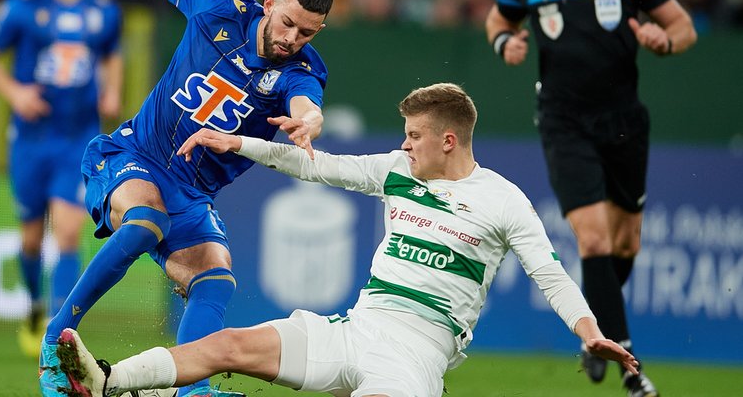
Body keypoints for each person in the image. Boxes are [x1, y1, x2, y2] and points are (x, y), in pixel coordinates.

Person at [49, 82, 639, 397]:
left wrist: (590, 334)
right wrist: (239, 143)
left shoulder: (504, 200)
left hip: (418, 352)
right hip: (356, 328)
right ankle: (107, 383)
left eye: (413, 136)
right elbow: (316, 166)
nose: (404, 145)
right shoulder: (398, 172)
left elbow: (550, 274)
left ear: (449, 141)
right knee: (227, 344)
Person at [41, 0, 333, 397]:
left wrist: (310, 123)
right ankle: (53, 342)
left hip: (193, 194)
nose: (292, 39)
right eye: (287, 23)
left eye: (306, 33)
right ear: (269, 4)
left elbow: (307, 105)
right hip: (135, 155)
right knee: (145, 222)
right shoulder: (219, 9)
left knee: (215, 280)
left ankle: (191, 391)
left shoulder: (301, 71)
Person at [483, 0, 697, 396]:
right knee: (594, 239)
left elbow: (684, 27)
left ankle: (594, 326)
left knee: (624, 243)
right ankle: (630, 367)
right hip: (563, 122)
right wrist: (505, 42)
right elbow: (497, 19)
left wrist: (664, 41)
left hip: (624, 122)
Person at [0, 0, 124, 358]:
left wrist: (112, 90)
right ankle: (34, 306)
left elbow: (112, 55)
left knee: (69, 233)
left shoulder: (105, 11)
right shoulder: (22, 7)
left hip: (78, 138)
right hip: (30, 139)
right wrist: (15, 93)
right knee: (31, 239)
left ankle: (58, 334)